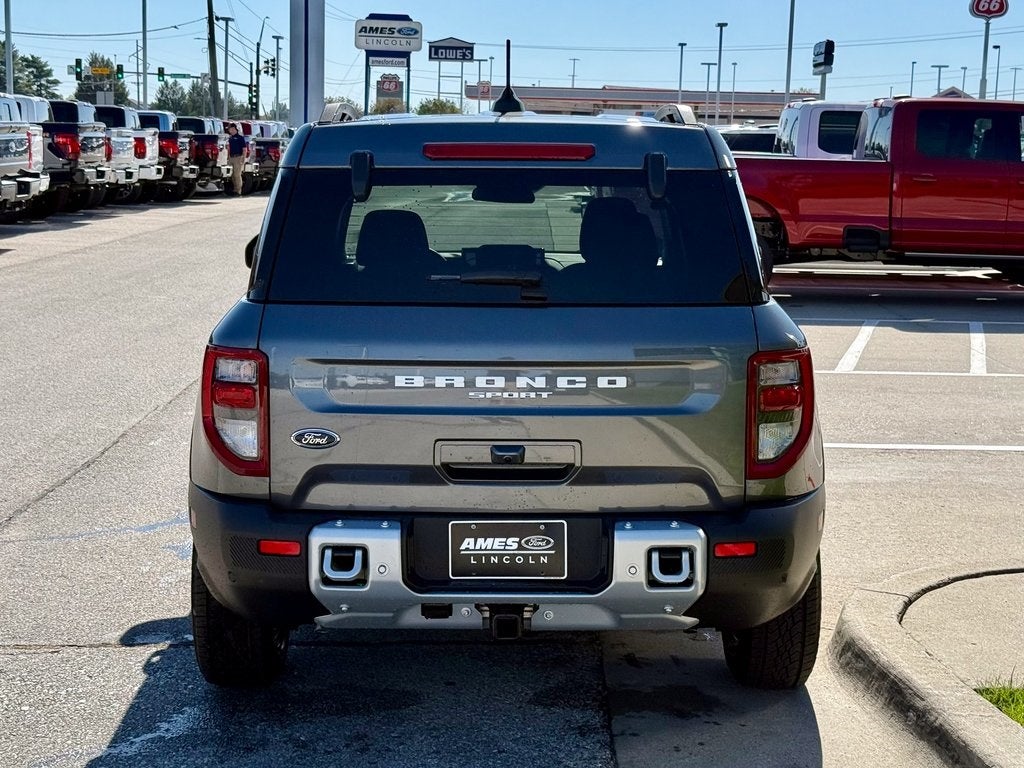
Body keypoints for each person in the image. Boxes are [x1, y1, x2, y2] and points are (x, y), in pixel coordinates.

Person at [226, 123, 245, 195]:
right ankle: (234, 189)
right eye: (229, 129)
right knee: (232, 175)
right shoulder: (230, 138)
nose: (230, 131)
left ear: (234, 129)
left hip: (238, 157)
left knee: (237, 175)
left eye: (231, 129)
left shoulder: (240, 138)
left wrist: (243, 157)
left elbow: (244, 149)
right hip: (231, 157)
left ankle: (238, 191)